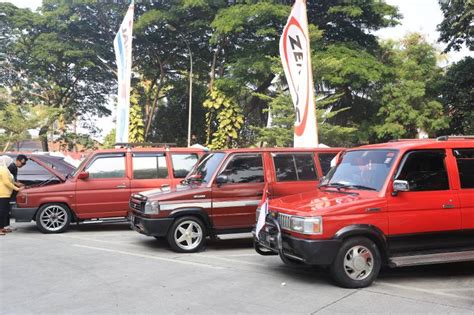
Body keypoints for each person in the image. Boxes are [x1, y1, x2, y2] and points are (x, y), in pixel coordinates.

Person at [0, 158, 21, 235]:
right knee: (1, 212)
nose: (11, 164)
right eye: (10, 162)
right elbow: (6, 182)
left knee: (4, 211)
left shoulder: (5, 169)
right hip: (2, 193)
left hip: (6, 193)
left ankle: (2, 227)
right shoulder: (3, 170)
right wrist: (17, 188)